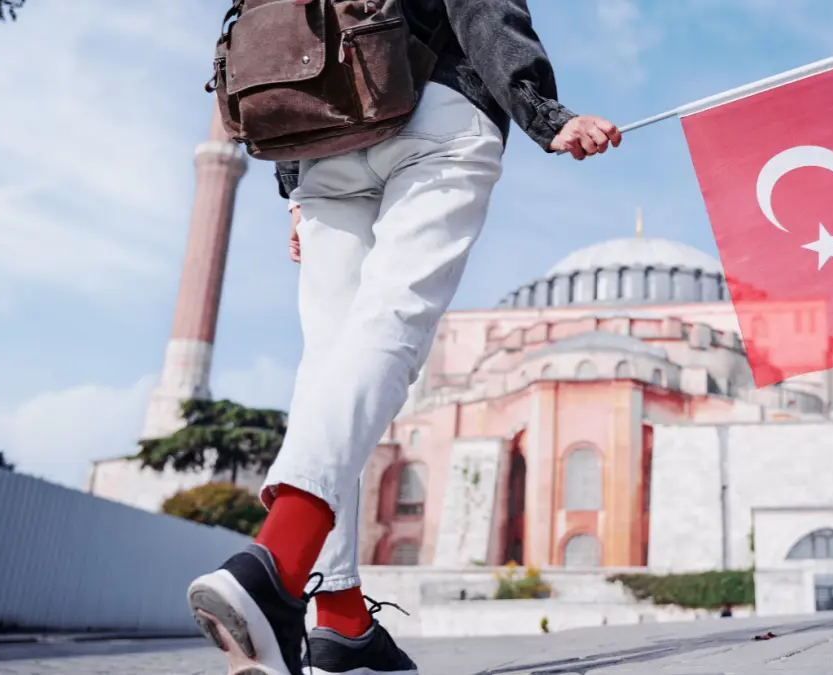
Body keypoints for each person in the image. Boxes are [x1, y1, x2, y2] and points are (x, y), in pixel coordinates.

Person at [186, 2, 621, 674]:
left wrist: (293, 186)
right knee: (393, 318)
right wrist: (542, 112)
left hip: (321, 130)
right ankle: (276, 563)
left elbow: (286, 30)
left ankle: (341, 620)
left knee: (330, 363)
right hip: (435, 111)